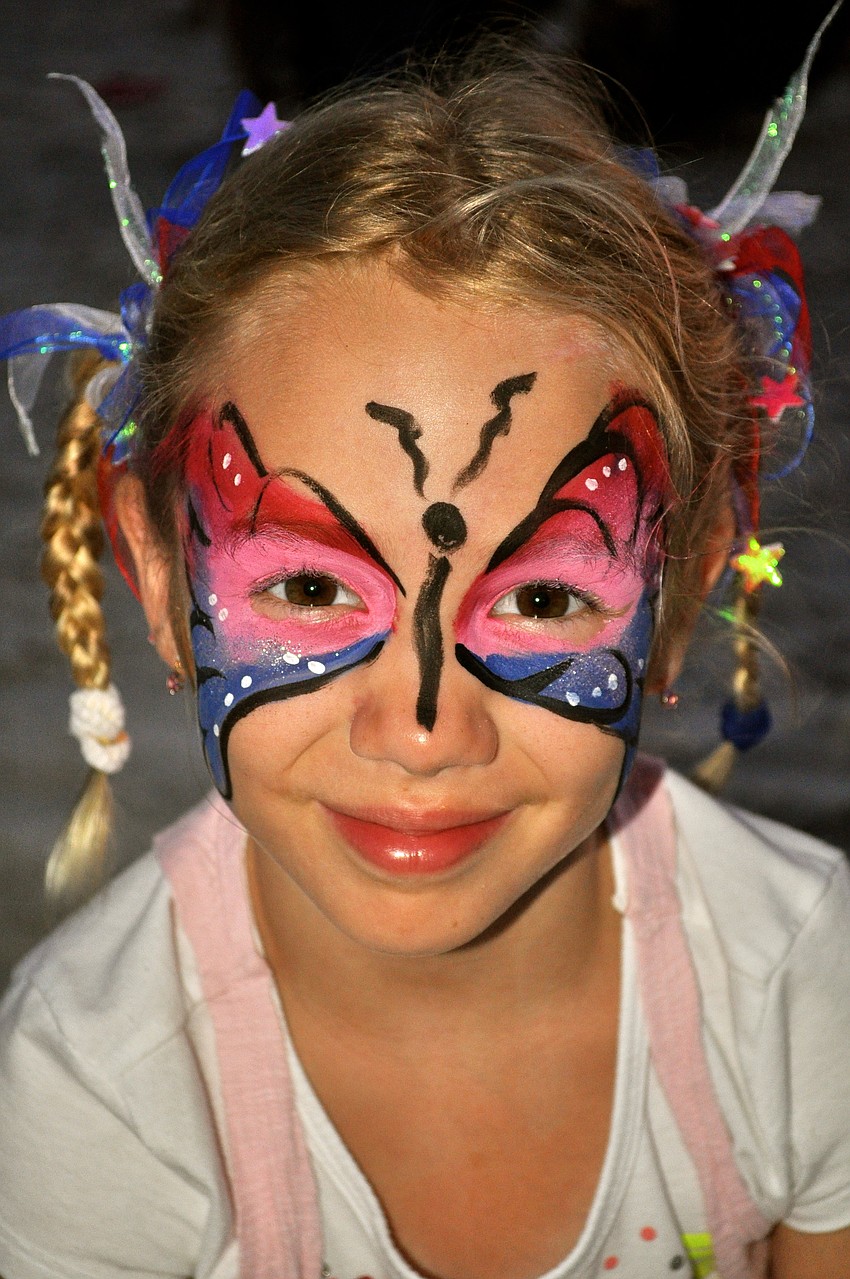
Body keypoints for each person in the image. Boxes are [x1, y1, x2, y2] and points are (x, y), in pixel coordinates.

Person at [0, 20, 848, 1279]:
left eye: (548, 603)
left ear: (682, 590)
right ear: (160, 573)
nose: (422, 725)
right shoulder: (99, 1083)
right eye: (301, 582)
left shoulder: (802, 983)